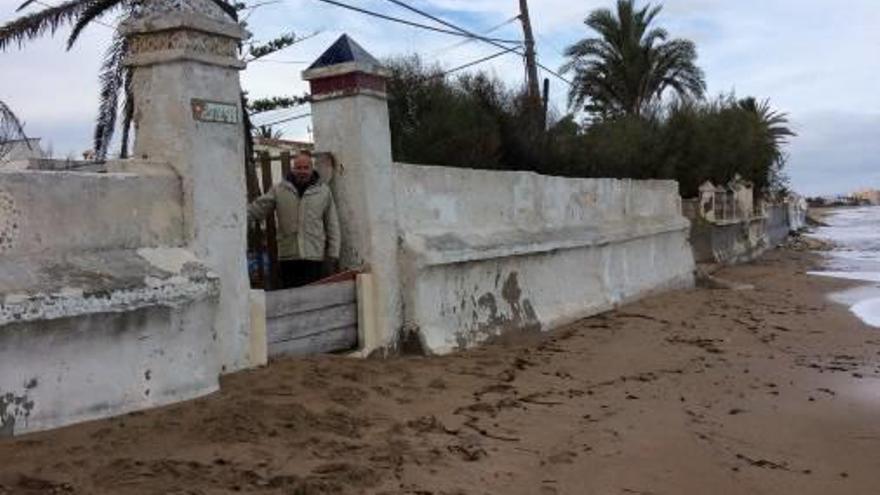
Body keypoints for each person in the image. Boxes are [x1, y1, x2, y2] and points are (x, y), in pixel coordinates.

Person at [248, 151, 341, 288]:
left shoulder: (323, 191)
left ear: (311, 168)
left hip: (314, 257)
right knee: (292, 299)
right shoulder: (279, 190)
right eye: (298, 168)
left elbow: (332, 224)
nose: (302, 171)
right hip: (288, 257)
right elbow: (258, 208)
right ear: (293, 168)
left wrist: (334, 253)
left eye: (305, 168)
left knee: (313, 298)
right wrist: (235, 219)